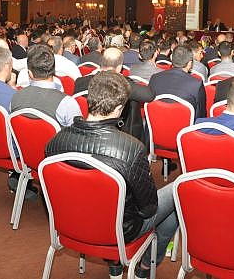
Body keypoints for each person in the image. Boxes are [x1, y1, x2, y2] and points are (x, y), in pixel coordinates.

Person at [45, 72, 178, 279]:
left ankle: (115, 265)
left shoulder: (54, 143)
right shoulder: (131, 149)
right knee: (178, 191)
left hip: (70, 223)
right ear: (118, 109)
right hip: (120, 231)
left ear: (88, 99)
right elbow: (148, 208)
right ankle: (144, 268)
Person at [74, 47, 154, 144]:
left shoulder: (79, 82)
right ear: (119, 67)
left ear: (101, 62)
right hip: (115, 136)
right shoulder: (123, 84)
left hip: (83, 131)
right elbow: (149, 95)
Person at [10, 44, 82, 127]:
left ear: (30, 73)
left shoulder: (14, 98)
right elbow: (79, 133)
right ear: (53, 69)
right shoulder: (67, 103)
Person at [149, 44, 206, 119]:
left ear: (171, 59)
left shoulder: (155, 78)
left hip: (157, 122)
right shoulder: (196, 84)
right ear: (189, 63)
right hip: (186, 125)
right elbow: (201, 115)